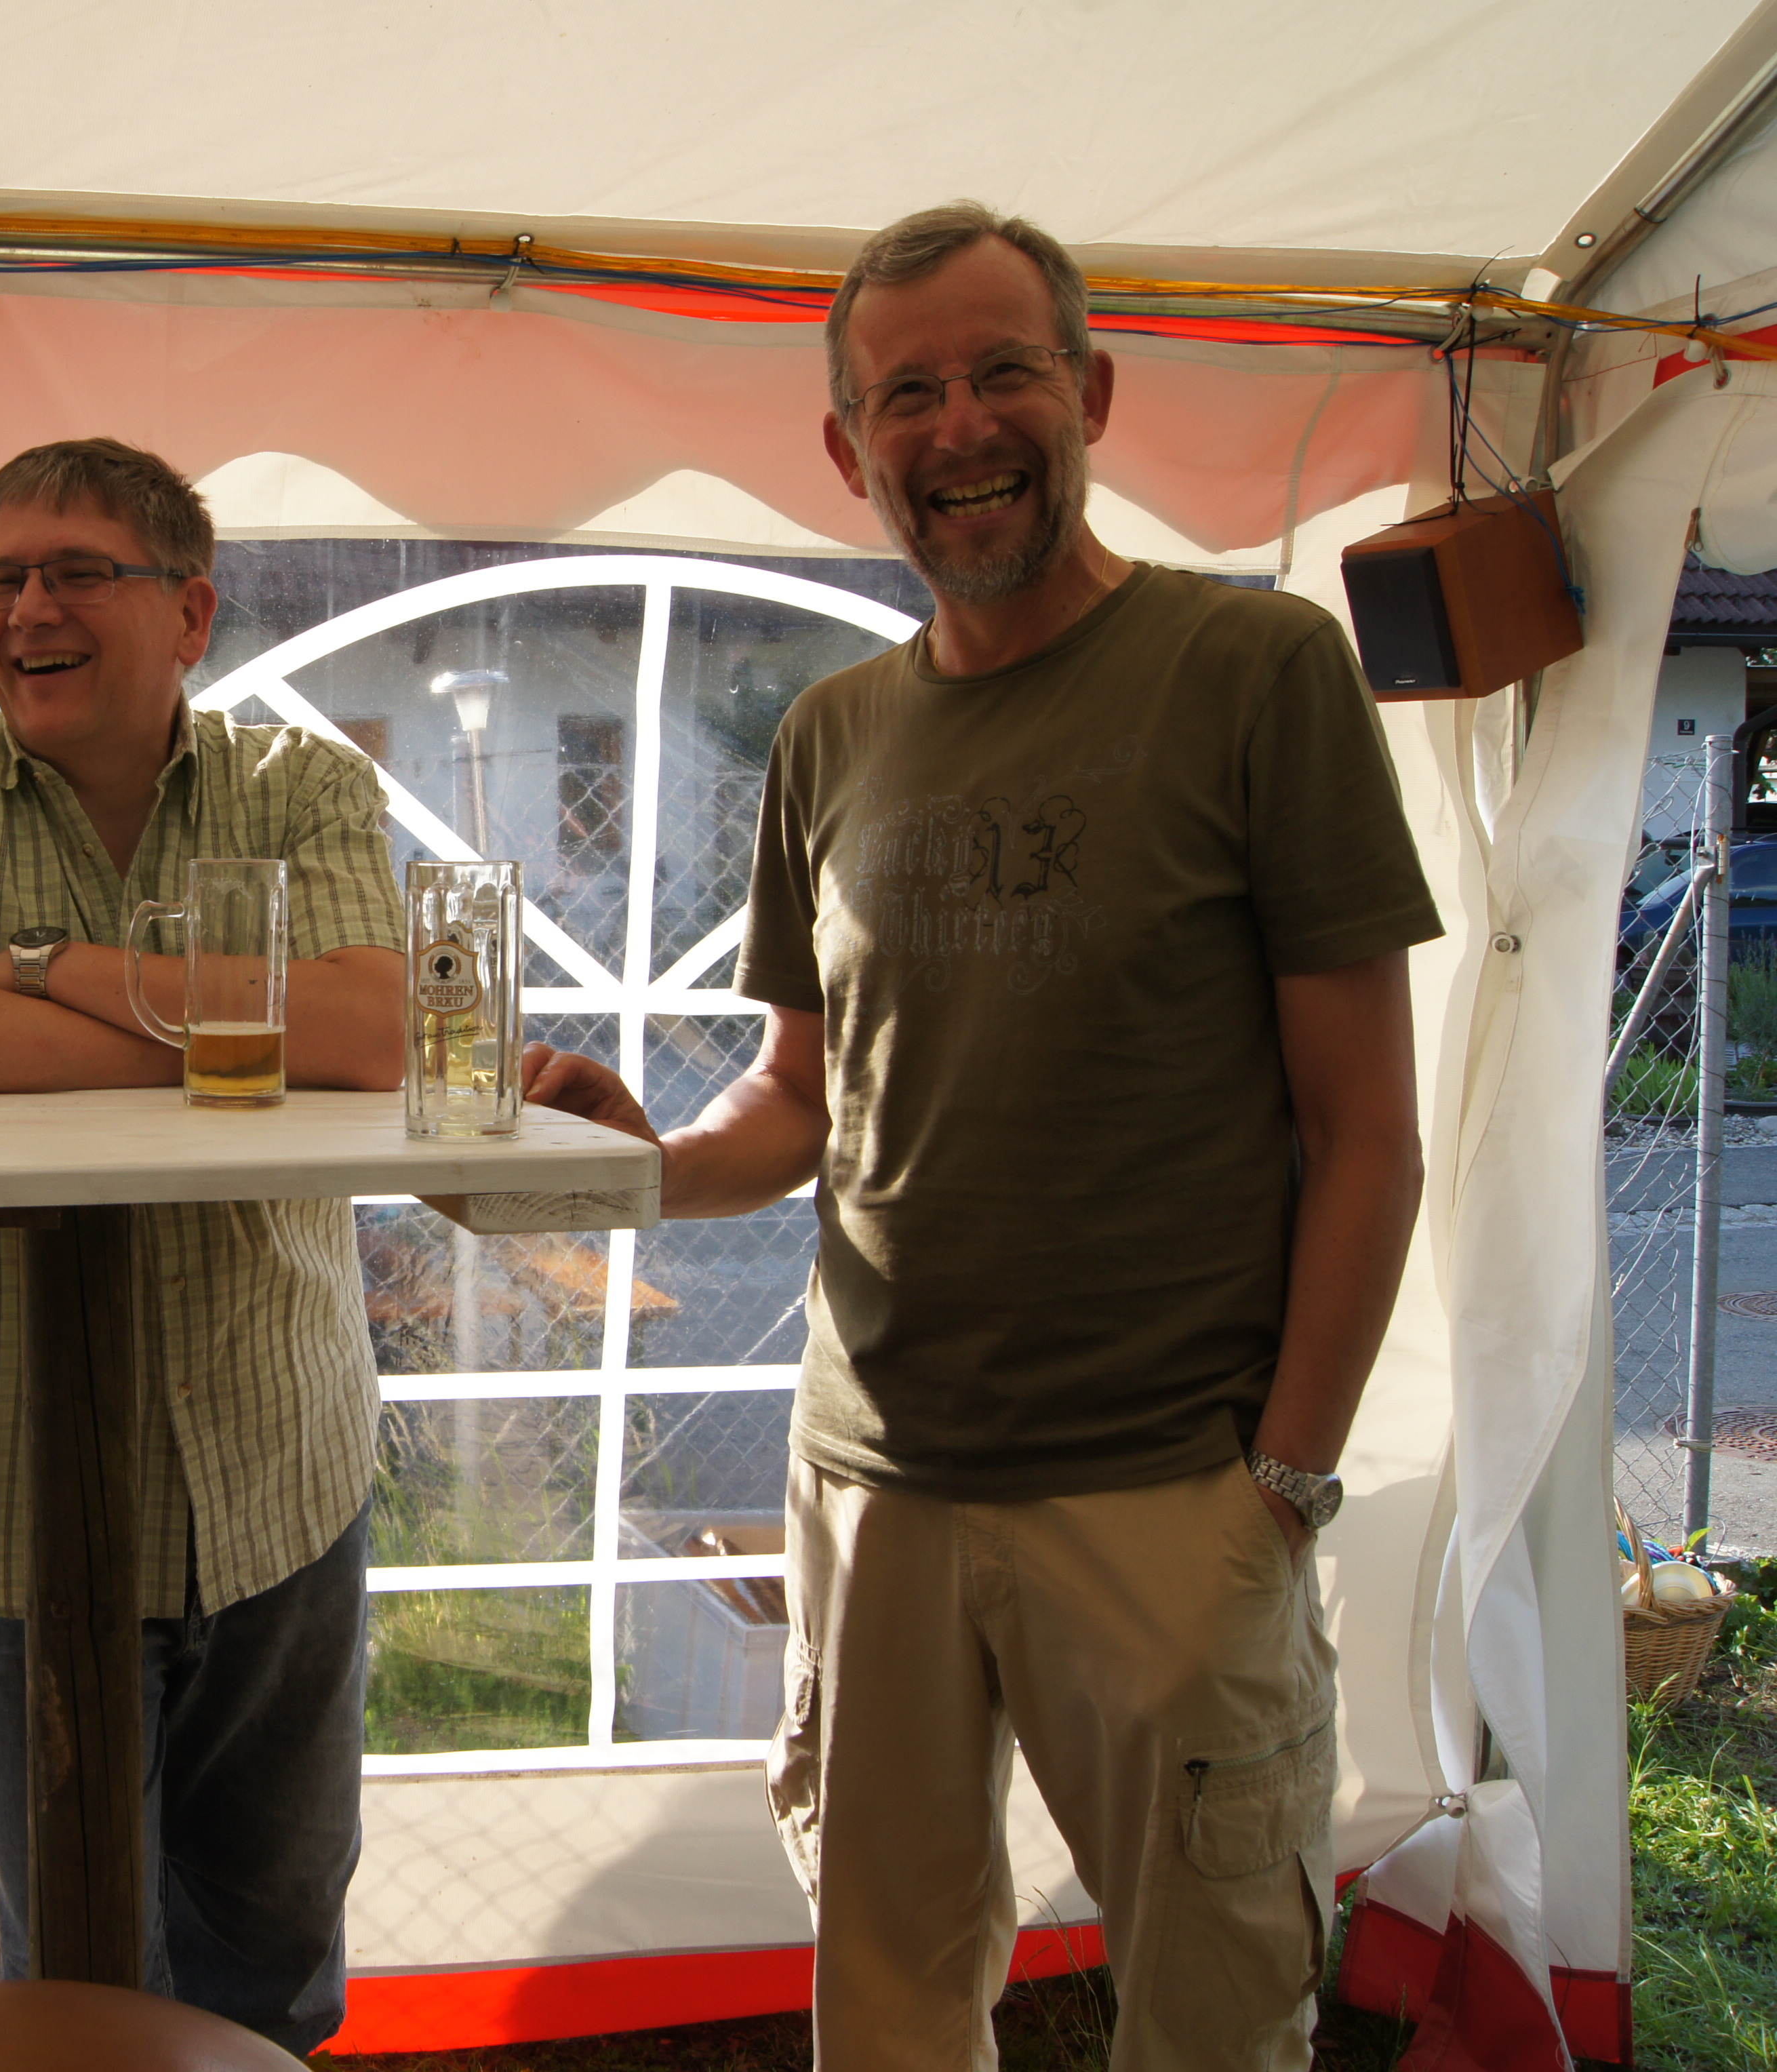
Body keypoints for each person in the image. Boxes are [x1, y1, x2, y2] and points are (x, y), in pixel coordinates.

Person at [519, 205, 1441, 2071]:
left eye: (1004, 370)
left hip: (1169, 1492)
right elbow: (799, 1100)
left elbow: (1368, 1134)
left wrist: (1285, 1484)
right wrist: (640, 1162)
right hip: (874, 1493)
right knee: (890, 2014)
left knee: (1213, 2020)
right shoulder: (831, 734)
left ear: (1088, 393)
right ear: (849, 449)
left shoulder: (1256, 670)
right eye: (907, 393)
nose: (959, 426)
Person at [0, 437, 404, 2054]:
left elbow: (371, 1031)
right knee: (77, 1980)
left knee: (274, 1956)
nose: (24, 612)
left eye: (76, 572)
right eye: (0, 577)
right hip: (24, 1492)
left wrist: (41, 967)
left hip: (281, 1472)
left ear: (189, 613)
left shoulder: (301, 787)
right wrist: (225, 1034)